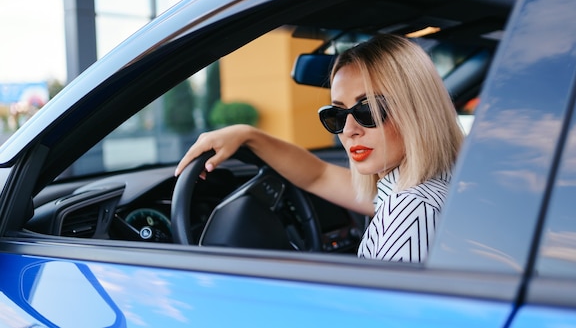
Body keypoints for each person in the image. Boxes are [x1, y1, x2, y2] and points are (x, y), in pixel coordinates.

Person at [175, 34, 464, 262]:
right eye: (336, 115)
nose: (350, 130)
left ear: (417, 110)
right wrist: (248, 135)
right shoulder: (437, 181)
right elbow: (318, 175)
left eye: (369, 110)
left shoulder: (411, 211)